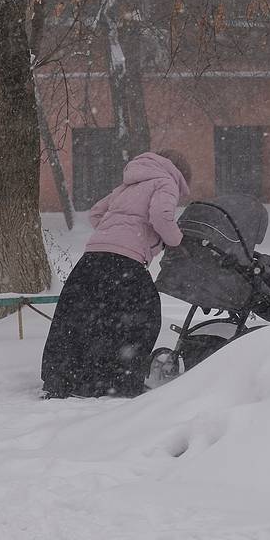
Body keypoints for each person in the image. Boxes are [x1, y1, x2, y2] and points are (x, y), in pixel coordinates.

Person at [41, 150, 192, 398]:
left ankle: (65, 377)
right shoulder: (166, 182)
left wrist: (114, 233)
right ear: (180, 172)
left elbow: (96, 214)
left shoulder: (128, 184)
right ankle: (116, 379)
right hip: (125, 262)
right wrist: (176, 241)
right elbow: (161, 217)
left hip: (92, 258)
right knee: (142, 316)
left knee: (82, 316)